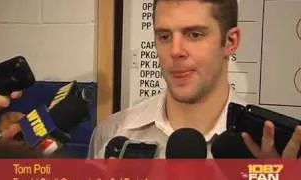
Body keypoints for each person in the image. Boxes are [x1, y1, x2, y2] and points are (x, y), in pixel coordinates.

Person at [88, 0, 301, 159]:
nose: (175, 51)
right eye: (164, 36)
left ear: (230, 41)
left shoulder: (275, 148)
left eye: (195, 35)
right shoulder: (111, 134)